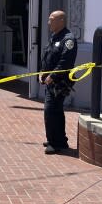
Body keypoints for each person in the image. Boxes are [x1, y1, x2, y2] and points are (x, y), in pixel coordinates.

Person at [38, 10, 78, 155]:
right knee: (56, 111)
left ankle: (55, 144)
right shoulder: (55, 37)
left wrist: (52, 76)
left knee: (51, 111)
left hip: (60, 83)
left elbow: (65, 62)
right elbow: (47, 55)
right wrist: (42, 71)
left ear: (61, 21)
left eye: (51, 19)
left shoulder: (68, 40)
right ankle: (59, 140)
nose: (49, 22)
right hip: (50, 82)